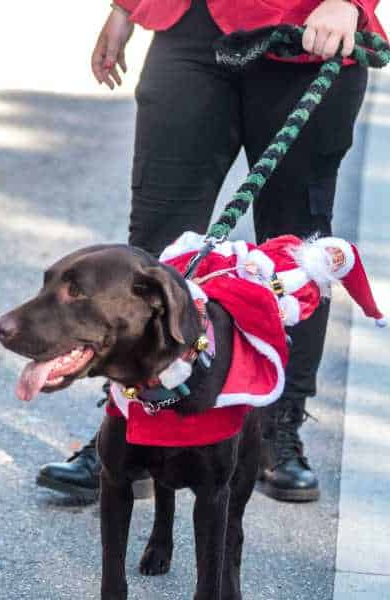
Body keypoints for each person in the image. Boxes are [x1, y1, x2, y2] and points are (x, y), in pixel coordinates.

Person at [37, 0, 385, 503]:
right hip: (190, 28)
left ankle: (276, 428)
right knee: (152, 248)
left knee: (295, 253)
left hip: (308, 29)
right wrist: (124, 8)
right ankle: (131, 424)